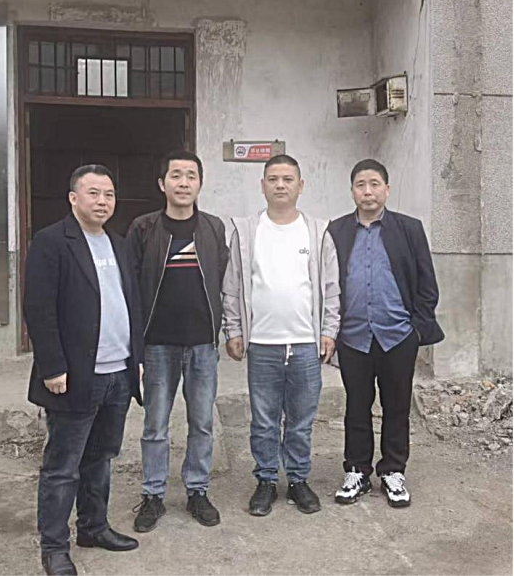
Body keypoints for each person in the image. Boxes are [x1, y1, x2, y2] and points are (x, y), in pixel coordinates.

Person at [24, 164, 143, 576]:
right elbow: (39, 308)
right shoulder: (52, 242)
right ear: (74, 198)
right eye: (93, 193)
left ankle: (93, 528)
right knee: (62, 467)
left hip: (118, 374)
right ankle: (54, 548)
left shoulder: (119, 244)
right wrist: (52, 366)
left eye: (109, 194)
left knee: (101, 458)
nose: (102, 201)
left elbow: (132, 304)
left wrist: (136, 361)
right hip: (74, 376)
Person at [222, 154, 340, 517]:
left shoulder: (317, 231)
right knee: (264, 420)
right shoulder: (247, 231)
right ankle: (266, 480)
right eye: (273, 179)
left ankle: (299, 480)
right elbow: (232, 285)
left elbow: (331, 287)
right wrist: (234, 329)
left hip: (305, 343)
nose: (280, 185)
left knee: (301, 420)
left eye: (288, 179)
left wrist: (328, 330)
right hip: (262, 343)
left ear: (300, 186)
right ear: (262, 186)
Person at [328, 159, 444, 508]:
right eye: (360, 184)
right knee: (356, 405)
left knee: (396, 406)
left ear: (387, 190)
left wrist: (415, 330)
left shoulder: (408, 229)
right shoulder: (336, 231)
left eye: (374, 184)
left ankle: (393, 470)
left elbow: (427, 285)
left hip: (397, 336)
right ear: (352, 191)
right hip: (354, 337)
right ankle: (357, 470)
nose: (368, 191)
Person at [127, 150, 229, 532]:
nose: (183, 182)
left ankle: (197, 490)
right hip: (158, 345)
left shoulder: (213, 228)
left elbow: (222, 279)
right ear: (162, 183)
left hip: (202, 344)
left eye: (191, 176)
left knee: (202, 422)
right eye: (176, 175)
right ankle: (153, 494)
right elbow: (131, 286)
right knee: (155, 424)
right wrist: (135, 346)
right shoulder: (143, 228)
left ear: (200, 183)